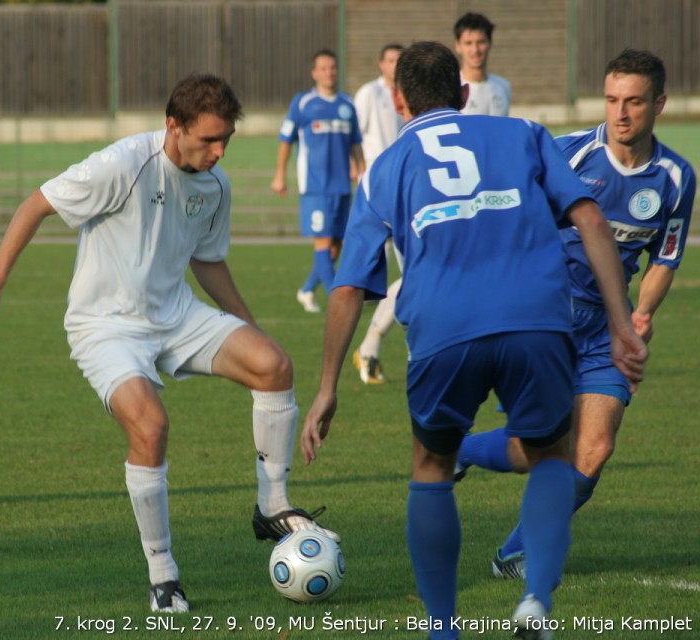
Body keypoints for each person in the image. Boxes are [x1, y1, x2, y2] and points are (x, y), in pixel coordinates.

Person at [300, 41, 647, 639]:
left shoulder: (385, 168)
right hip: (537, 317)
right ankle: (536, 597)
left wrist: (328, 387)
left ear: (398, 99)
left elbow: (349, 287)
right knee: (549, 456)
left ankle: (442, 628)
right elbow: (590, 220)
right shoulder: (523, 134)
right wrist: (622, 324)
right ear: (463, 94)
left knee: (432, 466)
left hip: (443, 327)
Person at [0, 74, 337, 614]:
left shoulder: (216, 185)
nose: (219, 150)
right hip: (105, 325)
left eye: (226, 138)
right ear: (173, 126)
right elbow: (35, 205)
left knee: (274, 365)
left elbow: (207, 260)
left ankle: (271, 505)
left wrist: (250, 327)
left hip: (176, 315)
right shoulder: (122, 165)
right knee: (151, 424)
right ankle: (163, 575)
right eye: (208, 139)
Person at [454, 49, 696, 581]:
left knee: (595, 448)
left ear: (659, 103)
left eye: (634, 101)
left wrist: (643, 315)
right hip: (547, 316)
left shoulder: (676, 179)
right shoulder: (568, 154)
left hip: (609, 327)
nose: (620, 113)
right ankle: (464, 450)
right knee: (545, 445)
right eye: (612, 100)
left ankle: (513, 553)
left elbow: (664, 259)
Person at [272, 49, 365, 314]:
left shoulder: (347, 105)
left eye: (333, 67)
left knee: (336, 246)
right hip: (315, 188)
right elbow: (285, 140)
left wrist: (362, 172)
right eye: (323, 68)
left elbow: (356, 143)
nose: (329, 72)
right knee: (323, 243)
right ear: (314, 73)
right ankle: (339, 301)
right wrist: (280, 175)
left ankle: (306, 290)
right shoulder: (302, 103)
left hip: (342, 188)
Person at [351, 44, 404, 384]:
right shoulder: (369, 93)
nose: (395, 66)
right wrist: (356, 172)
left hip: (407, 184)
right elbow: (356, 137)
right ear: (380, 63)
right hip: (381, 189)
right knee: (413, 273)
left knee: (415, 274)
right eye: (390, 60)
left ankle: (369, 348)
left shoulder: (501, 88)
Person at [454, 12, 511, 116]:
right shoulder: (453, 87)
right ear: (458, 46)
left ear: (490, 43)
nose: (475, 50)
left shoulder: (503, 86)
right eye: (468, 43)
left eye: (481, 42)